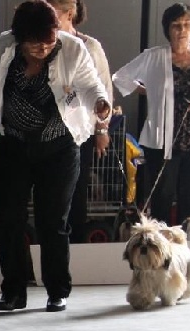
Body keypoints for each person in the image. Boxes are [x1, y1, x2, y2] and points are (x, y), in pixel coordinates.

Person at [0, 0, 111, 313]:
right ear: (19, 37)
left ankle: (57, 290)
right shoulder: (1, 49)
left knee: (53, 220)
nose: (43, 48)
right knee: (7, 219)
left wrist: (100, 104)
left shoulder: (72, 49)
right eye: (35, 43)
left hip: (60, 147)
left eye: (49, 41)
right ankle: (13, 291)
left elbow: (90, 84)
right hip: (13, 144)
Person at [112, 3, 190, 227]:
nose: (182, 30)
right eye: (176, 25)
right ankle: (158, 246)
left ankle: (185, 247)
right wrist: (146, 90)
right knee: (162, 196)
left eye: (187, 25)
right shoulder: (153, 56)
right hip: (162, 139)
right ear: (167, 29)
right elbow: (119, 77)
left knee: (189, 198)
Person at [48, 0, 114, 243]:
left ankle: (72, 246)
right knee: (49, 193)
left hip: (80, 132)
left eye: (53, 9)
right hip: (46, 130)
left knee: (76, 191)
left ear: (69, 13)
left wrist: (102, 129)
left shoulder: (90, 47)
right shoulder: (42, 43)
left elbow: (104, 89)